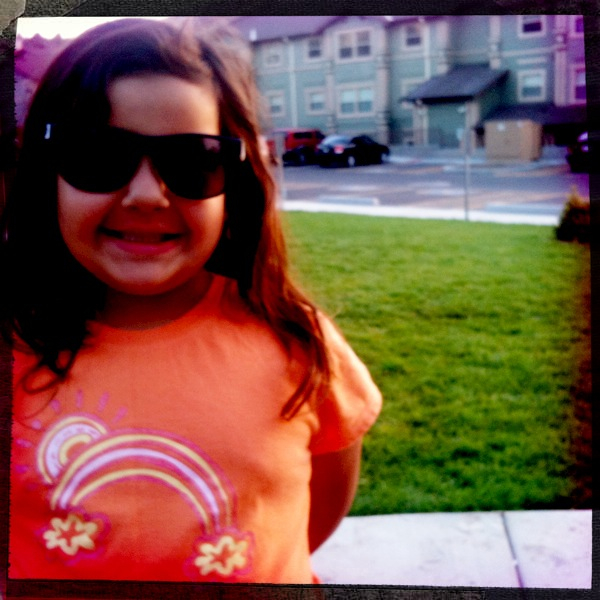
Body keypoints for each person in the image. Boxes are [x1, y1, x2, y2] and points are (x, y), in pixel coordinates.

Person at [1, 18, 381, 584]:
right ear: (45, 172)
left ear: (236, 180)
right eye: (98, 154)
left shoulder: (294, 339)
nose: (147, 195)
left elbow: (311, 509)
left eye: (193, 161)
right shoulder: (12, 345)